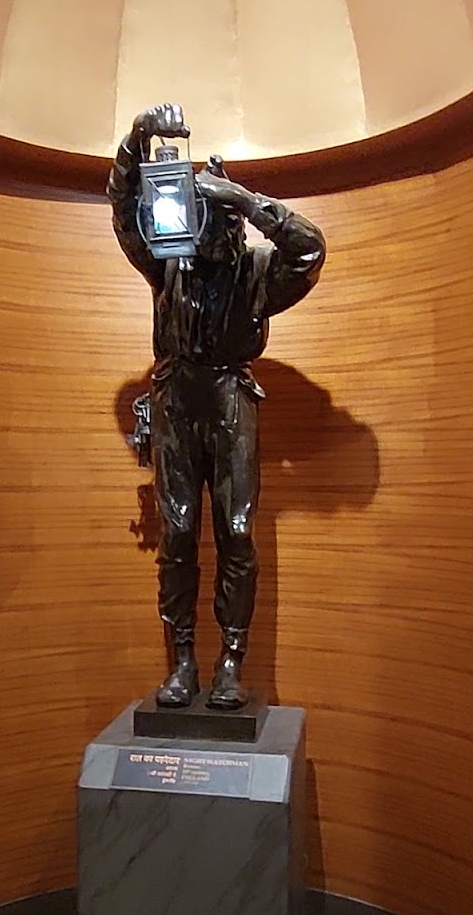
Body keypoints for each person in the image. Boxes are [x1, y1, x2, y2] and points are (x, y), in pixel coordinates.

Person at [109, 102, 325, 710]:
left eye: (214, 215)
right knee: (178, 532)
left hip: (231, 399)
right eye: (197, 211)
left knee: (236, 532)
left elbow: (309, 250)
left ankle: (231, 660)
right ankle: (182, 659)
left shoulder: (256, 271)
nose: (202, 229)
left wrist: (248, 199)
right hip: (177, 398)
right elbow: (122, 206)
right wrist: (138, 137)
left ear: (233, 223)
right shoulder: (167, 264)